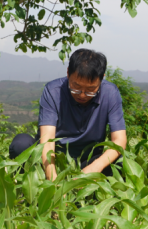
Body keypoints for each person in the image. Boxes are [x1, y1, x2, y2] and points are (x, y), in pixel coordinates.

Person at [9, 49, 127, 179]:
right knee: (21, 145)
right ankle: (26, 189)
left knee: (121, 160)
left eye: (90, 90)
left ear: (102, 79)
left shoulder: (110, 93)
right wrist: (54, 181)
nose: (82, 95)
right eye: (76, 87)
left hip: (88, 160)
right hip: (53, 159)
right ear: (67, 73)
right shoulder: (53, 91)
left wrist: (95, 167)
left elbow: (119, 140)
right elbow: (47, 141)